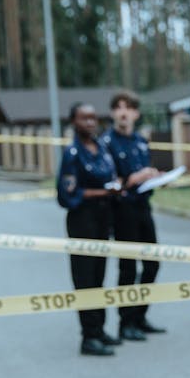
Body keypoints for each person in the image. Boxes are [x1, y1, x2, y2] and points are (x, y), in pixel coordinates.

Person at [57, 102, 123, 356]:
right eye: (84, 118)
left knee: (99, 277)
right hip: (82, 220)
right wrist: (103, 191)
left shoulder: (102, 148)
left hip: (103, 218)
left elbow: (111, 176)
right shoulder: (72, 153)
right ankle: (88, 336)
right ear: (73, 121)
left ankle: (100, 329)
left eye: (93, 118)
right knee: (85, 279)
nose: (90, 122)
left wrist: (116, 185)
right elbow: (67, 193)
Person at [102, 91, 166, 341]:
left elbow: (144, 175)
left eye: (128, 107)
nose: (123, 112)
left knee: (152, 263)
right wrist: (133, 179)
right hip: (121, 211)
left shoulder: (140, 141)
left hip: (143, 207)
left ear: (136, 114)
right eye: (118, 107)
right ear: (112, 113)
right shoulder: (107, 143)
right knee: (128, 268)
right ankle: (125, 323)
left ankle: (140, 316)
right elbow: (107, 181)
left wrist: (155, 178)